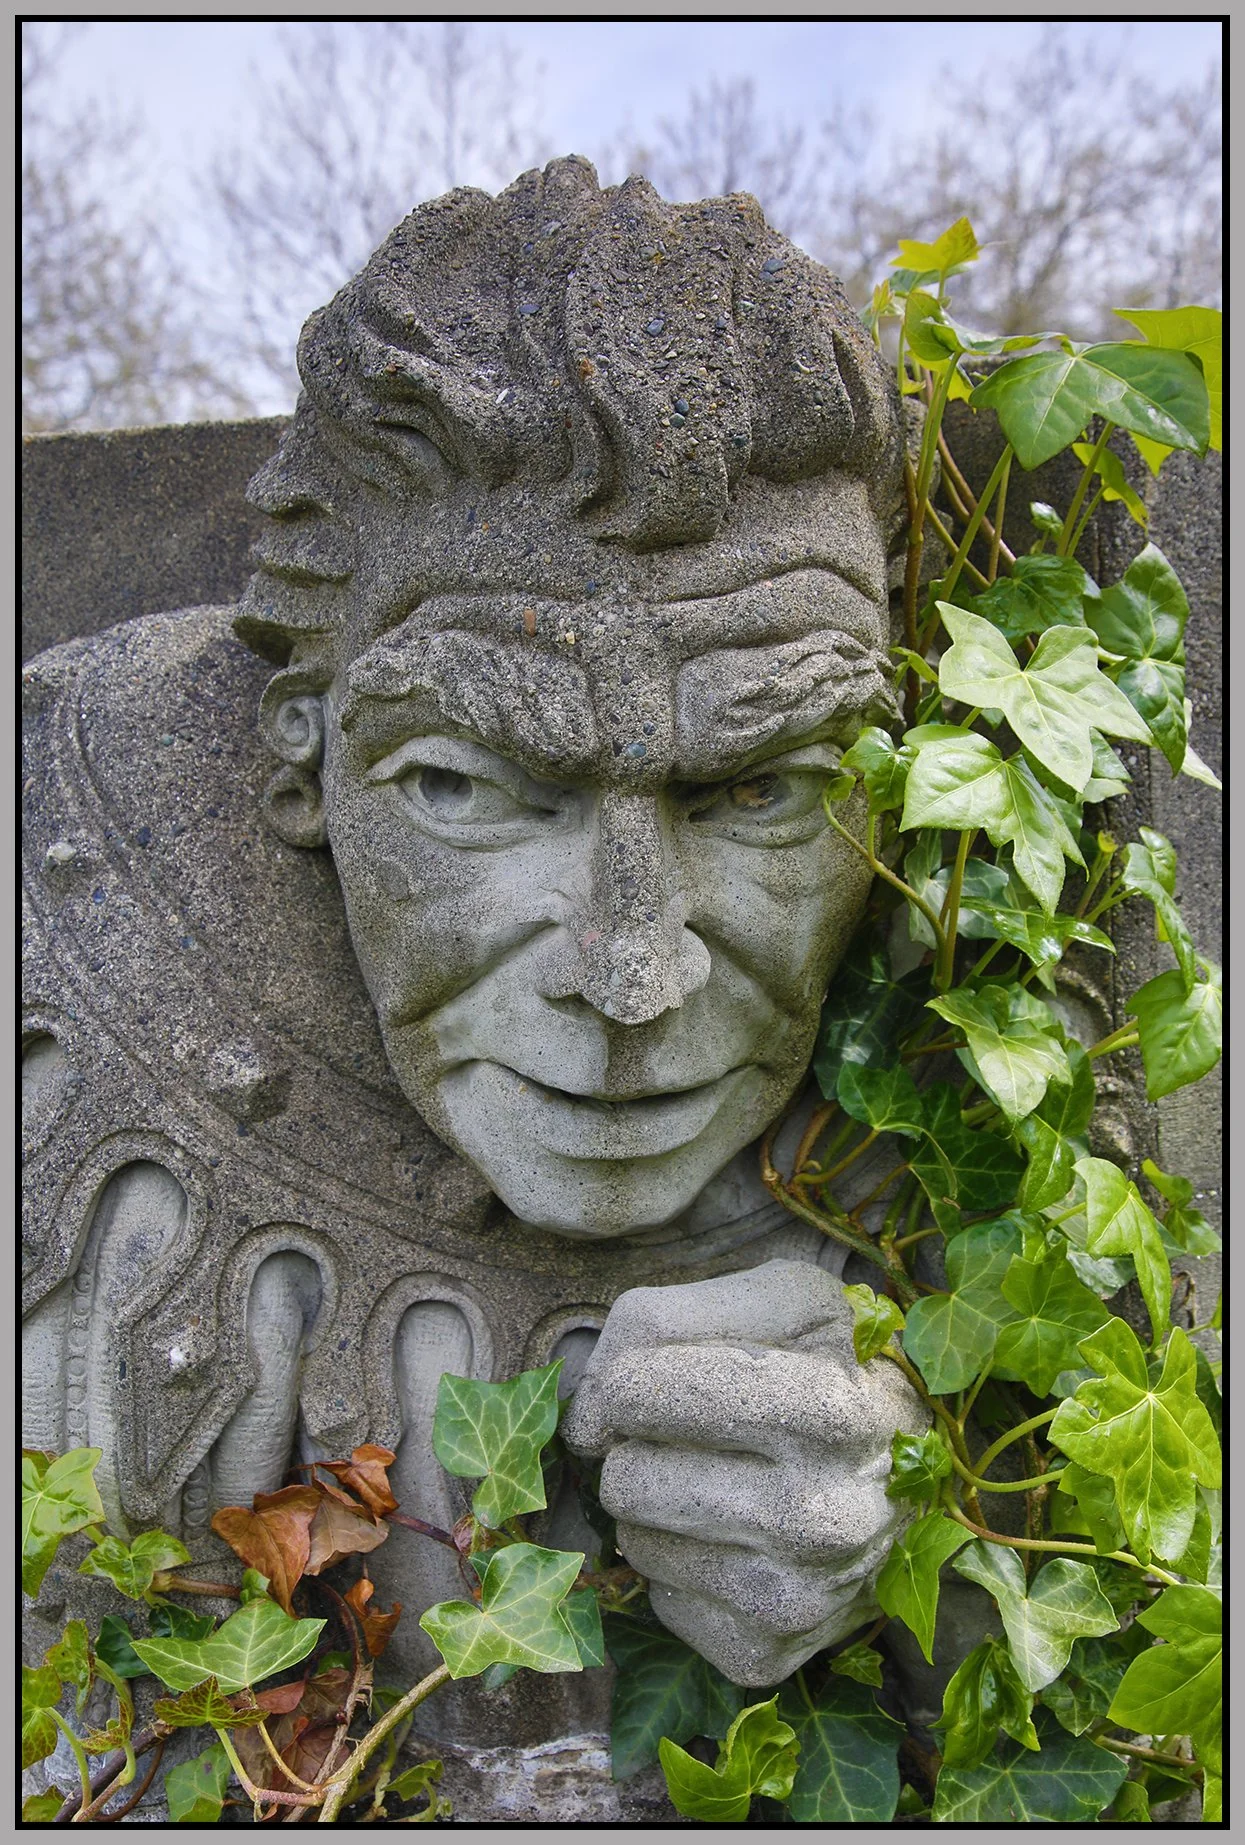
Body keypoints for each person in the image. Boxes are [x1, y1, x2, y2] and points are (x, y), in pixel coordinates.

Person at [22, 159, 923, 1730]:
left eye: (764, 792)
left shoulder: (979, 1046)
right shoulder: (69, 871)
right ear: (299, 758)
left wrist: (920, 1563)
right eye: (468, 788)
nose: (634, 981)